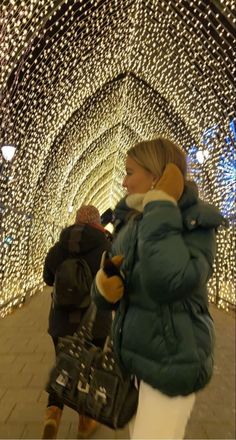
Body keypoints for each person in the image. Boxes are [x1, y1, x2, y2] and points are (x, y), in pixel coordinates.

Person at [92, 137, 226, 439]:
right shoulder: (132, 220)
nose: (123, 183)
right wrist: (103, 288)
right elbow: (112, 287)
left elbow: (170, 282)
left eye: (130, 172)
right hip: (134, 362)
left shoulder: (194, 222)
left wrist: (161, 206)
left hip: (171, 362)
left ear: (156, 175)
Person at [42, 205, 112, 439]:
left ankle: (52, 414)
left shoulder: (59, 246)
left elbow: (48, 278)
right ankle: (85, 421)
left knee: (63, 369)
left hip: (61, 322)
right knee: (90, 371)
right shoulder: (105, 247)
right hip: (95, 323)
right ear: (97, 221)